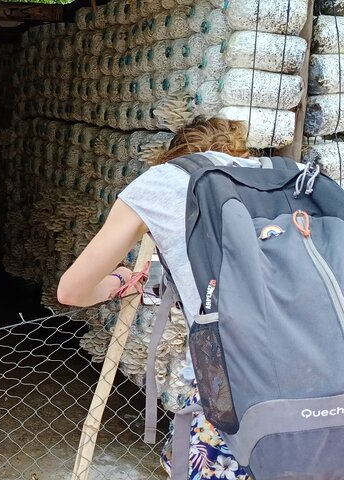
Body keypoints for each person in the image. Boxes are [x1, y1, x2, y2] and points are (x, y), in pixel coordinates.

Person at [57, 118, 256, 480]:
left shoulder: (165, 181)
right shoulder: (279, 178)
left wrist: (118, 279)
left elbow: (72, 290)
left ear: (174, 153)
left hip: (232, 367)